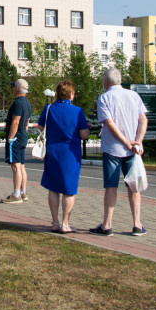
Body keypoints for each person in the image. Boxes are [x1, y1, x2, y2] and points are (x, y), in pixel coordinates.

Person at [90, 68, 148, 237]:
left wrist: (125, 142)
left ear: (106, 82)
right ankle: (137, 224)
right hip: (133, 151)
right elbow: (143, 119)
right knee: (133, 186)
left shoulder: (104, 98)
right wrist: (137, 141)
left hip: (112, 149)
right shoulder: (134, 96)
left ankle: (107, 225)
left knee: (110, 187)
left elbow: (109, 123)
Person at [37, 79, 90, 233]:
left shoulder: (48, 109)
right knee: (69, 189)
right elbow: (84, 134)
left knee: (53, 188)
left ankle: (54, 222)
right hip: (70, 154)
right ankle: (65, 223)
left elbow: (40, 127)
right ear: (71, 94)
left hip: (53, 152)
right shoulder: (78, 111)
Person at [1, 79, 33, 203]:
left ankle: (16, 195)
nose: (12, 89)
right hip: (22, 136)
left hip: (15, 138)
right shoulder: (27, 103)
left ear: (17, 89)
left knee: (15, 167)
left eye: (13, 87)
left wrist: (10, 138)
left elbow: (16, 121)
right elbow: (27, 122)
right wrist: (23, 133)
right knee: (22, 166)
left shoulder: (17, 103)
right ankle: (23, 192)